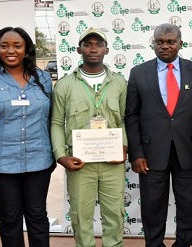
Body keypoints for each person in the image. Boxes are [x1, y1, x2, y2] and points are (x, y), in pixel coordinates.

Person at [125, 23, 192, 247]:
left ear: (181, 43)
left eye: (170, 41)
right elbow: (131, 116)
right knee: (152, 205)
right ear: (153, 43)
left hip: (189, 151)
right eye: (159, 42)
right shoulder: (138, 73)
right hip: (150, 153)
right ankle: (154, 244)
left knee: (188, 204)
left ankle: (184, 243)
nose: (165, 46)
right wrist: (136, 153)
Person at [51, 27, 127, 247]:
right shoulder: (65, 85)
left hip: (112, 163)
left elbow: (123, 120)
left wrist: (123, 145)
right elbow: (56, 123)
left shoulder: (119, 83)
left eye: (98, 44)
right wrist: (60, 156)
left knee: (114, 214)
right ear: (78, 49)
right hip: (80, 162)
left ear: (107, 50)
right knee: (81, 216)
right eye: (88, 44)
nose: (93, 49)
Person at [0, 27, 55, 247]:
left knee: (38, 216)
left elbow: (50, 120)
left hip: (39, 161)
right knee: (10, 218)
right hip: (2, 165)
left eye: (17, 46)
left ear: (26, 50)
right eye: (4, 46)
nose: (10, 50)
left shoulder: (42, 78)